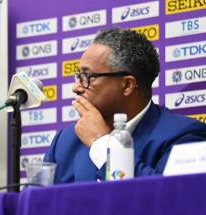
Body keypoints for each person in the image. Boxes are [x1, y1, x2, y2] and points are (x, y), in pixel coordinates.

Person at [44, 28, 206, 183]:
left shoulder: (184, 136)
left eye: (87, 76)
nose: (76, 88)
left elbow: (166, 198)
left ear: (127, 85)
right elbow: (41, 205)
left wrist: (101, 143)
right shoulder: (65, 142)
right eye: (78, 76)